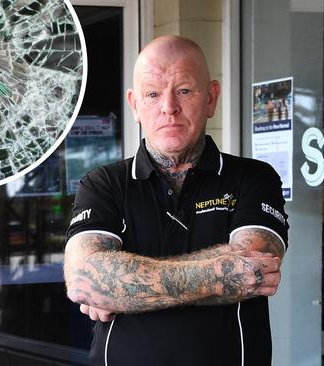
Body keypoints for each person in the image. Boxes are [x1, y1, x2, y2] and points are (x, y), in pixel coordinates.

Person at [64, 35, 289, 366]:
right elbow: (85, 280)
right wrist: (221, 273)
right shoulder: (104, 184)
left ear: (211, 98)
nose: (169, 106)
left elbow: (254, 270)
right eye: (152, 94)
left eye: (184, 90)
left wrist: (120, 286)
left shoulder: (253, 178)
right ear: (135, 105)